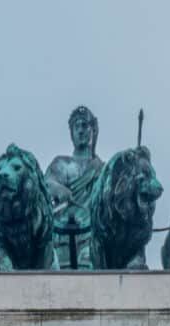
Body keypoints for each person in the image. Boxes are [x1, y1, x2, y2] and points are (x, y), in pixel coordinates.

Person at [44, 106, 103, 269]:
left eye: (85, 126)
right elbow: (45, 185)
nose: (81, 131)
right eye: (76, 127)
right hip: (60, 236)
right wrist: (58, 188)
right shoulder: (61, 163)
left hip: (91, 236)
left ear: (93, 130)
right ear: (71, 132)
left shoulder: (102, 170)